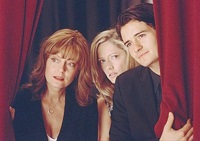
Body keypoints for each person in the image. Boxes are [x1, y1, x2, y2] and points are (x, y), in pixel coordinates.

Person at [110, 3, 193, 141]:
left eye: (141, 36)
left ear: (161, 31)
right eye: (129, 44)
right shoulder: (125, 84)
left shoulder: (193, 75)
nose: (136, 48)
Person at [11, 29, 98, 141]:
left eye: (71, 64)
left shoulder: (87, 107)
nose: (61, 69)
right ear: (45, 61)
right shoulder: (20, 99)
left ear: (78, 71)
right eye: (55, 60)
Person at [90, 29, 138, 141]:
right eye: (102, 61)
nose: (108, 67)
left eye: (114, 57)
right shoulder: (105, 102)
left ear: (128, 54)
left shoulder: (151, 87)